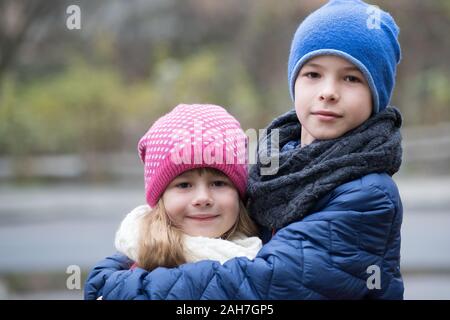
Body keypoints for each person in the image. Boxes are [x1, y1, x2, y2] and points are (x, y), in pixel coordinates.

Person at [84, 0, 404, 299]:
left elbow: (261, 284)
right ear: (294, 81)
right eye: (313, 74)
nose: (328, 92)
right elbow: (212, 234)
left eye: (351, 78)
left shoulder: (367, 196)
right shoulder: (276, 168)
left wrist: (126, 288)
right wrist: (117, 267)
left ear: (377, 95)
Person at [84, 103, 262, 300]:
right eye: (184, 185)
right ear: (160, 198)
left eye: (218, 183)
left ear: (239, 194)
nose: (202, 198)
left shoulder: (264, 258)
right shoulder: (139, 276)